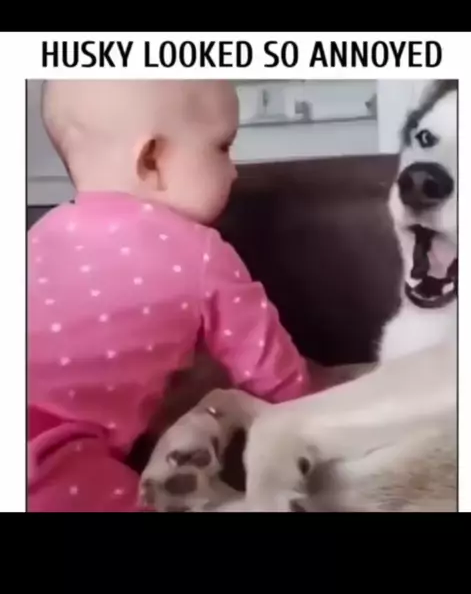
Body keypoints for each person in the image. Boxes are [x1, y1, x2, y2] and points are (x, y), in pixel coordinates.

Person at [28, 80, 312, 512]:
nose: (234, 171)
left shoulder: (40, 232)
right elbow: (271, 370)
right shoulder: (200, 252)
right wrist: (312, 408)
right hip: (48, 454)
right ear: (151, 159)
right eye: (223, 147)